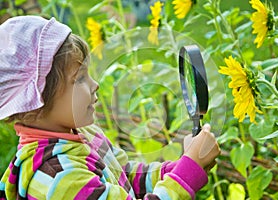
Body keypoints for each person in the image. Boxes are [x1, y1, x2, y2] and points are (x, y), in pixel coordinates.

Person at [0, 16, 220, 200]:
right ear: (35, 100)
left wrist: (182, 166)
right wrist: (187, 173)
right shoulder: (58, 177)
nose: (94, 85)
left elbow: (125, 177)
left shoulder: (83, 133)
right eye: (79, 79)